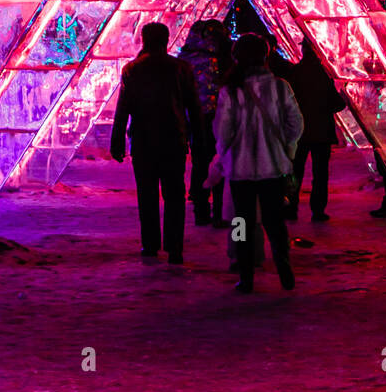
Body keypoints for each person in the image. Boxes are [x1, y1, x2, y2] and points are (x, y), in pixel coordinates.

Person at [214, 33, 304, 293]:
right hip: (273, 168)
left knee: (241, 221)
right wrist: (282, 148)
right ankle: (284, 268)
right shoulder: (280, 86)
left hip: (240, 172)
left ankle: (246, 274)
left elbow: (222, 131)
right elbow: (295, 123)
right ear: (266, 56)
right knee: (275, 222)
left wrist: (229, 154)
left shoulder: (230, 90)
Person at [110, 22, 201, 264]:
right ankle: (175, 248)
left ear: (144, 40)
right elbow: (193, 106)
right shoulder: (181, 68)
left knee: (147, 195)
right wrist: (198, 138)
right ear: (167, 39)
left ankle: (150, 245)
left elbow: (123, 109)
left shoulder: (132, 70)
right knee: (175, 195)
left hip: (143, 141)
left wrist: (117, 140)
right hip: (174, 140)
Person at [284, 37, 346, 222]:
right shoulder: (324, 75)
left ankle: (291, 207)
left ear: (303, 50)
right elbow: (337, 104)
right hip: (321, 133)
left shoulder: (294, 73)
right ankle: (318, 210)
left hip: (299, 133)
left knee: (295, 171)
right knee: (320, 174)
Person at [179, 18, 231, 226]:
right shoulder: (224, 60)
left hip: (194, 120)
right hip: (219, 120)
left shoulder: (183, 61)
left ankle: (201, 210)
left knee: (200, 164)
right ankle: (219, 212)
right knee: (220, 163)